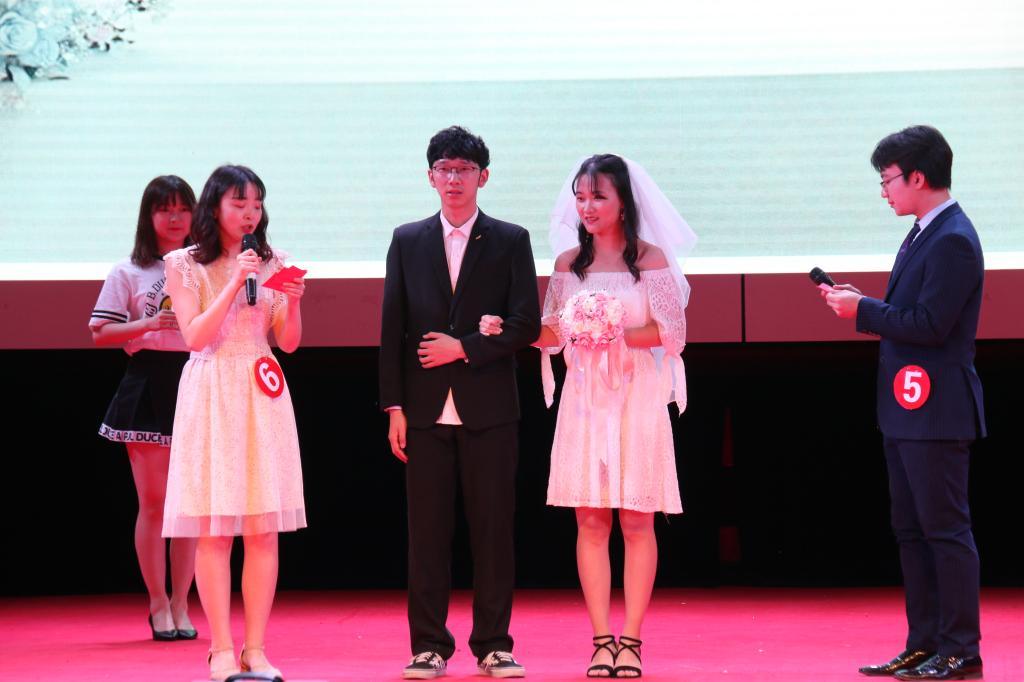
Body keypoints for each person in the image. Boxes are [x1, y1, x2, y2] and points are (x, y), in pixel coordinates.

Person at [481, 154, 695, 678]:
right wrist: (509, 330)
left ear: (623, 202)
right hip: (585, 400)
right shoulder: (567, 264)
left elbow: (673, 333)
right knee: (591, 519)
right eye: (580, 197)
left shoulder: (651, 260)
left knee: (638, 519)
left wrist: (613, 331)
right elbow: (553, 332)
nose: (587, 207)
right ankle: (601, 640)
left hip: (636, 394)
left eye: (598, 196)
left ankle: (632, 640)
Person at [823, 125, 985, 681]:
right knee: (912, 531)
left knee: (945, 530)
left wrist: (862, 310)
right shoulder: (923, 232)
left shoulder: (953, 238)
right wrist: (863, 304)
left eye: (887, 179)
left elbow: (932, 325)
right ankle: (924, 644)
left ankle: (960, 649)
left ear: (917, 176)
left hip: (936, 409)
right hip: (908, 408)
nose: (884, 191)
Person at [380, 126, 540, 679]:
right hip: (423, 411)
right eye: (444, 169)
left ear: (483, 177)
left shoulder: (510, 239)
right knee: (426, 534)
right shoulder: (407, 239)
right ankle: (428, 645)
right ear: (430, 177)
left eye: (464, 169)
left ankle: (494, 645)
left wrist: (464, 348)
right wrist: (393, 407)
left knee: (493, 532)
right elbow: (392, 329)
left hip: (490, 410)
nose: (454, 179)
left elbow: (526, 324)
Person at [161, 165, 306, 681]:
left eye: (256, 205)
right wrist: (235, 282)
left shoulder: (275, 261)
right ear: (215, 207)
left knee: (263, 529)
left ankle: (256, 649)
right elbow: (195, 336)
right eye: (239, 204)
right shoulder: (183, 263)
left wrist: (291, 301)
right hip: (212, 388)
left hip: (262, 388)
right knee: (216, 529)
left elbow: (288, 342)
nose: (250, 214)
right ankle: (220, 648)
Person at [90, 175, 199, 641]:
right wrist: (150, 323)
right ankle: (158, 603)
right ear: (148, 215)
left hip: (197, 382)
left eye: (183, 209)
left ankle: (182, 603)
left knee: (191, 507)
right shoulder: (128, 271)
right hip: (148, 384)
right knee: (154, 504)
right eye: (164, 209)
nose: (174, 218)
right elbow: (100, 332)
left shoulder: (204, 265)